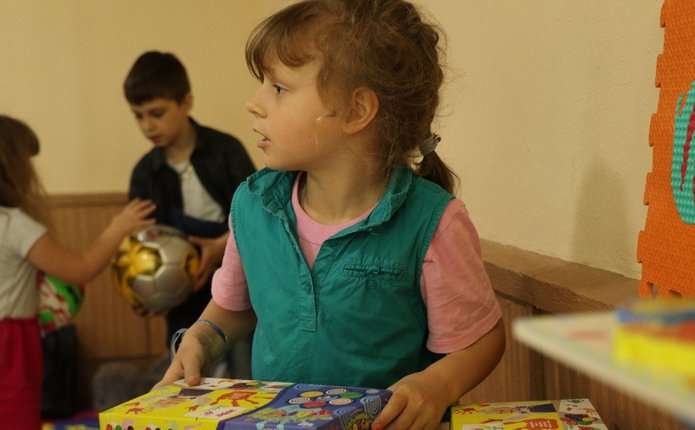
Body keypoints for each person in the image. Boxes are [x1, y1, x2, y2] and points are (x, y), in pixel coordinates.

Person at [161, 1, 505, 429]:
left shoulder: (434, 222)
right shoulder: (252, 205)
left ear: (357, 111)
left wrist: (438, 385)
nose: (254, 103)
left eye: (279, 88)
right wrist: (202, 338)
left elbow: (481, 340)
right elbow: (234, 307)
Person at [0, 115, 155, 430]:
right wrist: (118, 228)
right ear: (12, 168)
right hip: (10, 342)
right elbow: (80, 269)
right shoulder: (14, 225)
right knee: (16, 415)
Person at [124, 51, 256, 374]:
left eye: (156, 113)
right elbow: (141, 244)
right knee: (188, 375)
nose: (147, 125)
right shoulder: (144, 173)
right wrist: (142, 286)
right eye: (138, 116)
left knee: (243, 374)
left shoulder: (226, 151)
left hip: (238, 284)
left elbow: (257, 218)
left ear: (186, 102)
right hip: (181, 294)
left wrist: (220, 247)